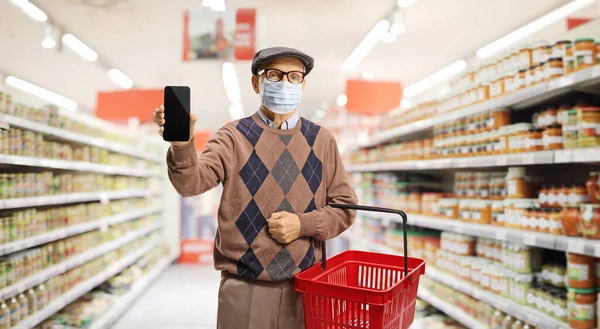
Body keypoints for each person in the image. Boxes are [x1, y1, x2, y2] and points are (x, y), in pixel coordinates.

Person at [152, 46, 357, 329]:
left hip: (305, 288)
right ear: (256, 82)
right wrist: (182, 146)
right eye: (274, 74)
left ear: (303, 84)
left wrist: (303, 224)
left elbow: (345, 208)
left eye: (294, 77)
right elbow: (190, 184)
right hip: (243, 287)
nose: (285, 83)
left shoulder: (322, 141)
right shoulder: (232, 137)